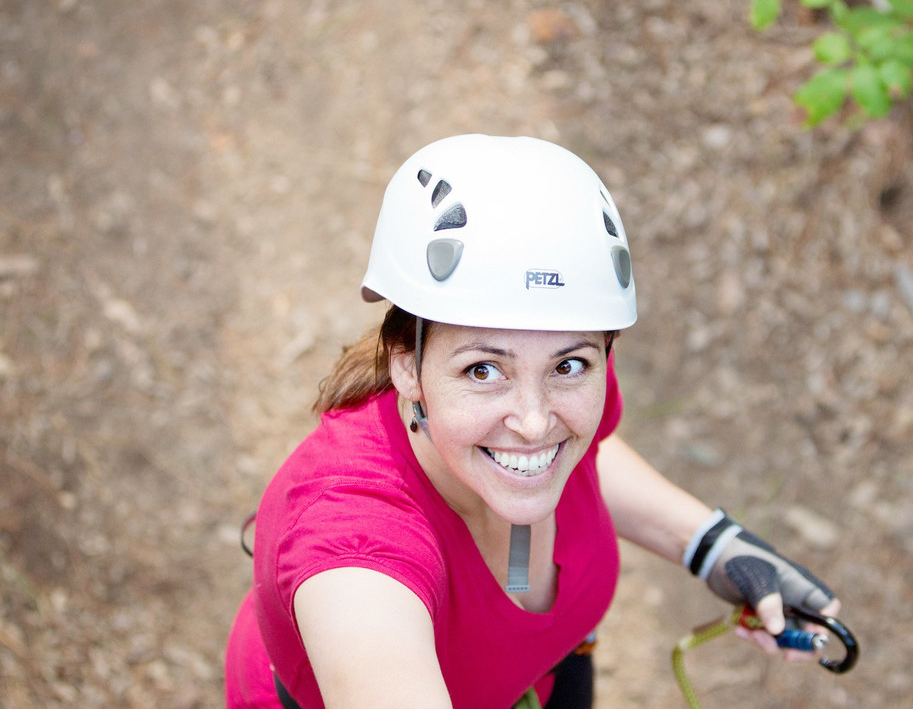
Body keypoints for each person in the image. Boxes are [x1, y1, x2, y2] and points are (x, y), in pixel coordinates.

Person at [224, 134, 841, 709]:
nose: (535, 421)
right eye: (483, 370)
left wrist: (712, 546)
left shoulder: (564, 402)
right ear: (406, 364)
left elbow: (588, 454)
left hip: (544, 672)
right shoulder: (355, 549)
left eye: (569, 364)